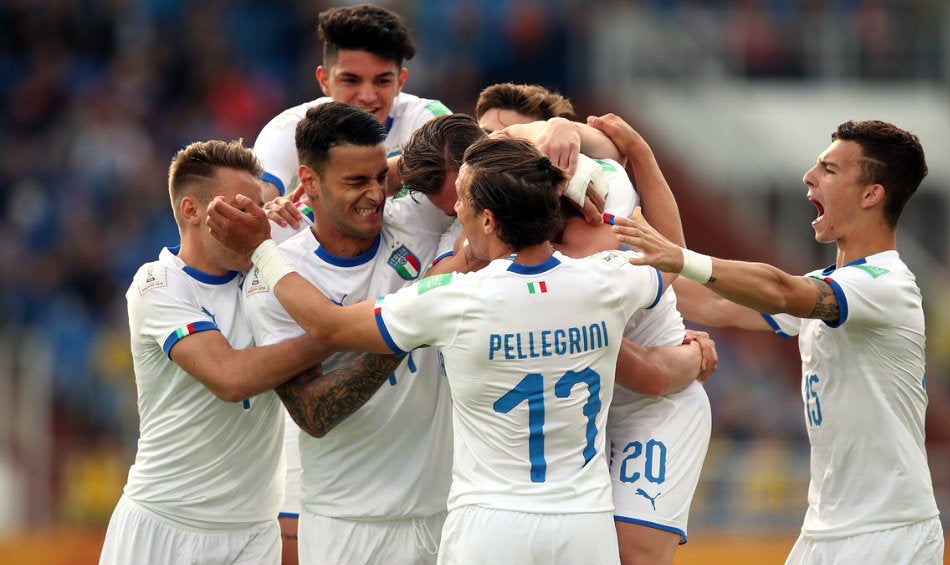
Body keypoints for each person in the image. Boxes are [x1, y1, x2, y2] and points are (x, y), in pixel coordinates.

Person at [207, 136, 669, 565]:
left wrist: (263, 251)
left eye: (465, 200)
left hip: (490, 526)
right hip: (584, 526)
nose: (456, 210)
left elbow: (327, 324)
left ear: (488, 220)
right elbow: (673, 254)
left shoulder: (454, 297)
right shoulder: (608, 279)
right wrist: (640, 152)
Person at [612, 119, 944, 565]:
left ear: (871, 194)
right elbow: (710, 301)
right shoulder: (832, 282)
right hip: (824, 531)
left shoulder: (886, 284)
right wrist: (603, 264)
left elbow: (785, 292)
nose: (809, 176)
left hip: (887, 532)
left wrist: (681, 257)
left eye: (828, 169)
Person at [404, 89, 715, 564]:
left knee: (632, 555)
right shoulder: (481, 220)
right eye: (454, 209)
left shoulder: (595, 217)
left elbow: (649, 372)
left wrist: (691, 357)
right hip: (581, 401)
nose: (461, 216)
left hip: (651, 400)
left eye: (465, 203)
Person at [98, 140, 333, 565]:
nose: (253, 221)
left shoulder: (274, 271)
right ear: (191, 211)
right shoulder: (158, 283)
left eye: (258, 208)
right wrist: (333, 331)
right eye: (238, 208)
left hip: (254, 532)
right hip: (164, 526)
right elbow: (230, 378)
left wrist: (298, 237)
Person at [243, 102, 452, 565]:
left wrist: (560, 129)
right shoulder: (279, 278)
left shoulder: (418, 219)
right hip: (347, 526)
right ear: (309, 183)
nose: (376, 195)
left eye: (381, 177)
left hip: (445, 513)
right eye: (356, 182)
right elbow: (314, 413)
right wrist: (406, 323)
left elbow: (475, 157)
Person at [254, 4, 450, 202]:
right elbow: (254, 200)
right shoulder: (289, 128)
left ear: (400, 81)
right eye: (350, 80)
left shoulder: (427, 118)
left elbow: (466, 172)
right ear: (324, 80)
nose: (367, 96)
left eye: (382, 81)